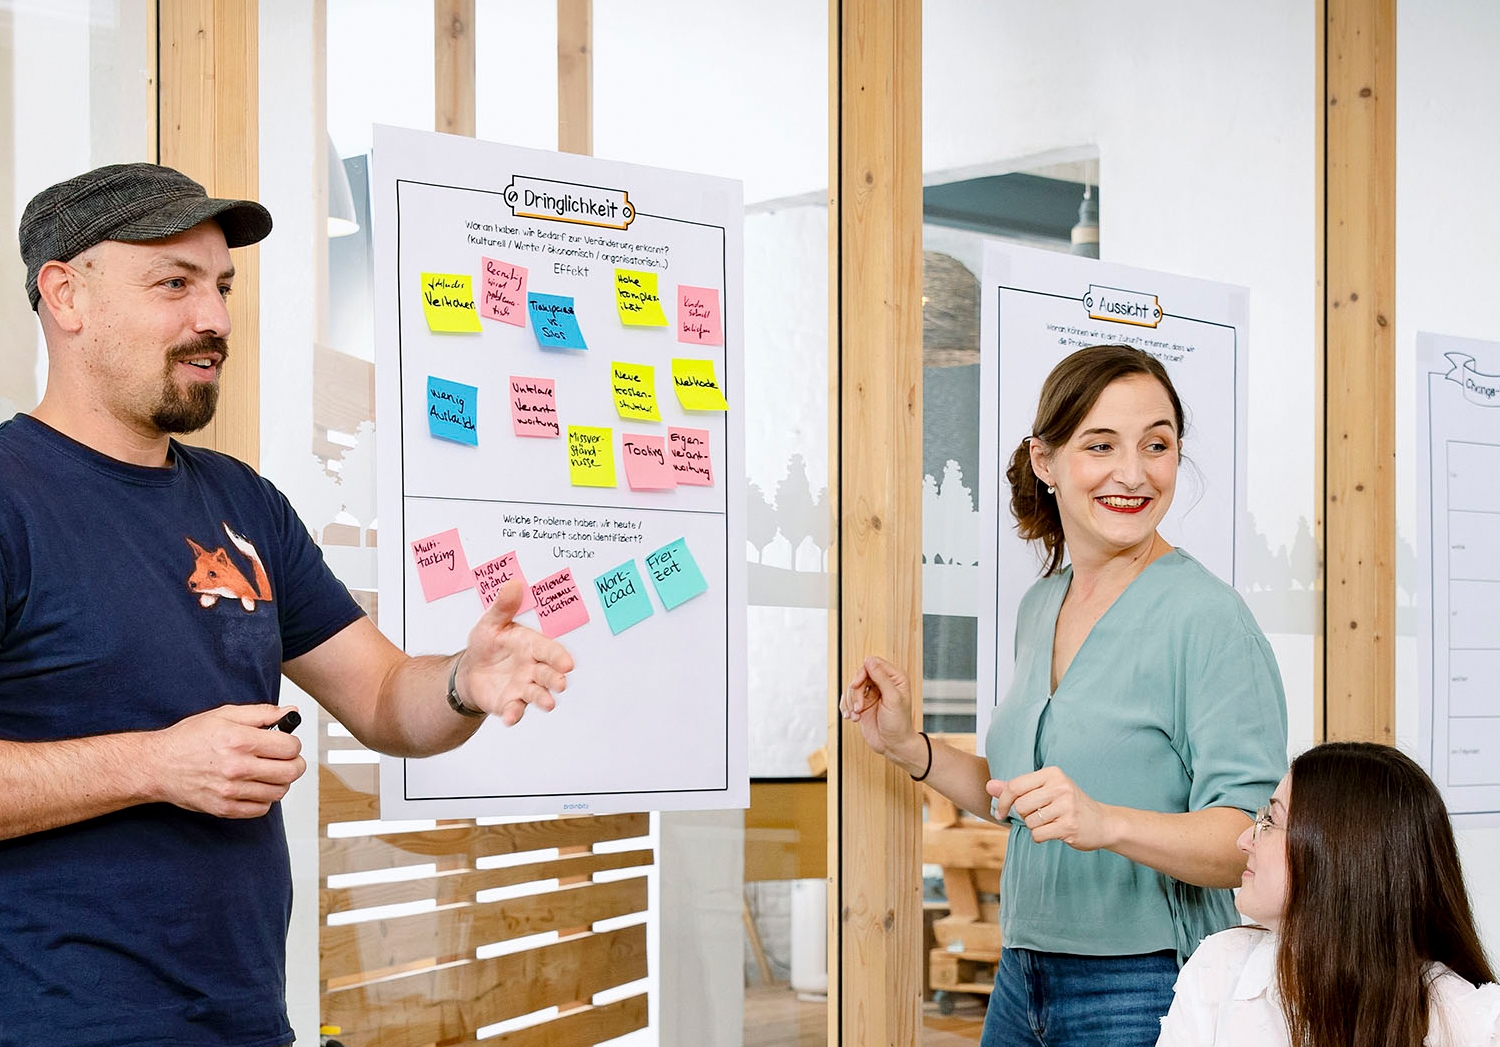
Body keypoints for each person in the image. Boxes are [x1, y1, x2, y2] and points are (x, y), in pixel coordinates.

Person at [0, 163, 574, 1047]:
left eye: (222, 286)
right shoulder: (10, 497)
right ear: (65, 295)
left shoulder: (244, 502)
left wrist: (464, 679)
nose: (215, 320)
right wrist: (154, 765)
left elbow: (383, 696)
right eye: (174, 284)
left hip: (246, 1020)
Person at [842, 344, 1288, 1046]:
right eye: (1100, 444)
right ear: (1045, 461)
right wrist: (909, 746)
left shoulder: (1208, 618)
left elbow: (1247, 840)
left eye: (1157, 444)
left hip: (1146, 982)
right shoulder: (1041, 604)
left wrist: (1107, 821)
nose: (1133, 473)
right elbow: (1020, 797)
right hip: (1021, 970)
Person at [1158, 741, 1500, 1046]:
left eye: (1271, 822)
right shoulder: (1219, 966)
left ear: (1341, 855)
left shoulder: (1465, 1018)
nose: (1244, 840)